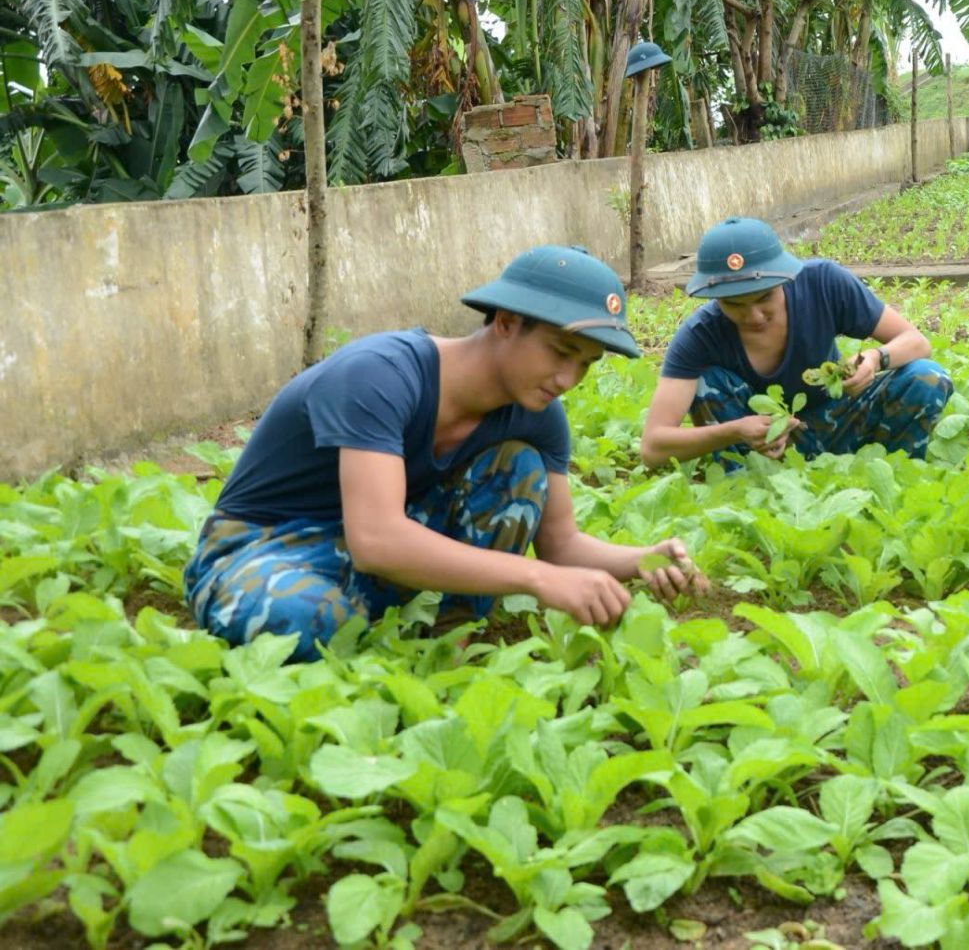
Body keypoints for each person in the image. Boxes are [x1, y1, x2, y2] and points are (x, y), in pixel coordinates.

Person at [184, 245, 708, 663]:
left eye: (587, 364)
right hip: (264, 547)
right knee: (304, 619)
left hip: (379, 556)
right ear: (506, 322)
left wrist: (642, 560)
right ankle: (353, 625)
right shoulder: (380, 375)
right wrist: (536, 578)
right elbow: (376, 541)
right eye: (560, 352)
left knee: (519, 467)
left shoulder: (538, 417)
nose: (569, 378)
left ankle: (452, 637)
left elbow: (561, 543)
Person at [640, 218, 952, 466]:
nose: (754, 316)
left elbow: (916, 342)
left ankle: (888, 470)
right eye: (734, 305)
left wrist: (875, 358)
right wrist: (733, 431)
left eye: (764, 297)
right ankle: (751, 486)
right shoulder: (699, 335)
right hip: (761, 449)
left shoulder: (823, 283)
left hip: (841, 420)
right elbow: (653, 448)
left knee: (927, 376)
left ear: (785, 278)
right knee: (705, 381)